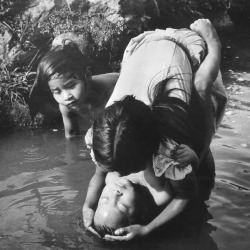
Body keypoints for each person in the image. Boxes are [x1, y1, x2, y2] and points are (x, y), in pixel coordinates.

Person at [83, 19, 227, 240]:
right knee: (195, 155)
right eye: (120, 205)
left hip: (186, 46)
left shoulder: (165, 152)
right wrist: (88, 206)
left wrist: (148, 229)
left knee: (201, 119)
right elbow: (100, 172)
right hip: (141, 48)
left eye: (107, 199)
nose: (115, 193)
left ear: (148, 153)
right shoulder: (105, 138)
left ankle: (214, 42)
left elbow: (188, 193)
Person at [29, 42, 119, 138]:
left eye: (71, 86)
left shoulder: (110, 90)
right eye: (57, 91)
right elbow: (71, 136)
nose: (66, 96)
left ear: (87, 76)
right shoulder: (66, 106)